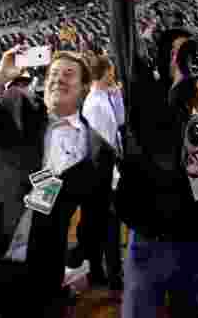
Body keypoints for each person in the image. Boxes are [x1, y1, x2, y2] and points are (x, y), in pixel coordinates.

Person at [0, 48, 116, 318]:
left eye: (69, 74)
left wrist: (78, 260)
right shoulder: (15, 105)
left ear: (85, 87)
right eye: (53, 73)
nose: (58, 79)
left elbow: (96, 216)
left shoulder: (99, 151)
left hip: (39, 273)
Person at [105, 0, 198, 318]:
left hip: (196, 241)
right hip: (148, 241)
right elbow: (125, 40)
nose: (185, 57)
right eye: (176, 51)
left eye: (192, 52)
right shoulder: (145, 93)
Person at [79, 50, 124, 290]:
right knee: (108, 228)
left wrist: (116, 97)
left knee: (102, 226)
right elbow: (104, 145)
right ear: (105, 73)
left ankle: (101, 273)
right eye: (111, 72)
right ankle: (111, 276)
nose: (114, 76)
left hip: (104, 174)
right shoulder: (94, 103)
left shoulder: (103, 98)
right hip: (103, 176)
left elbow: (120, 122)